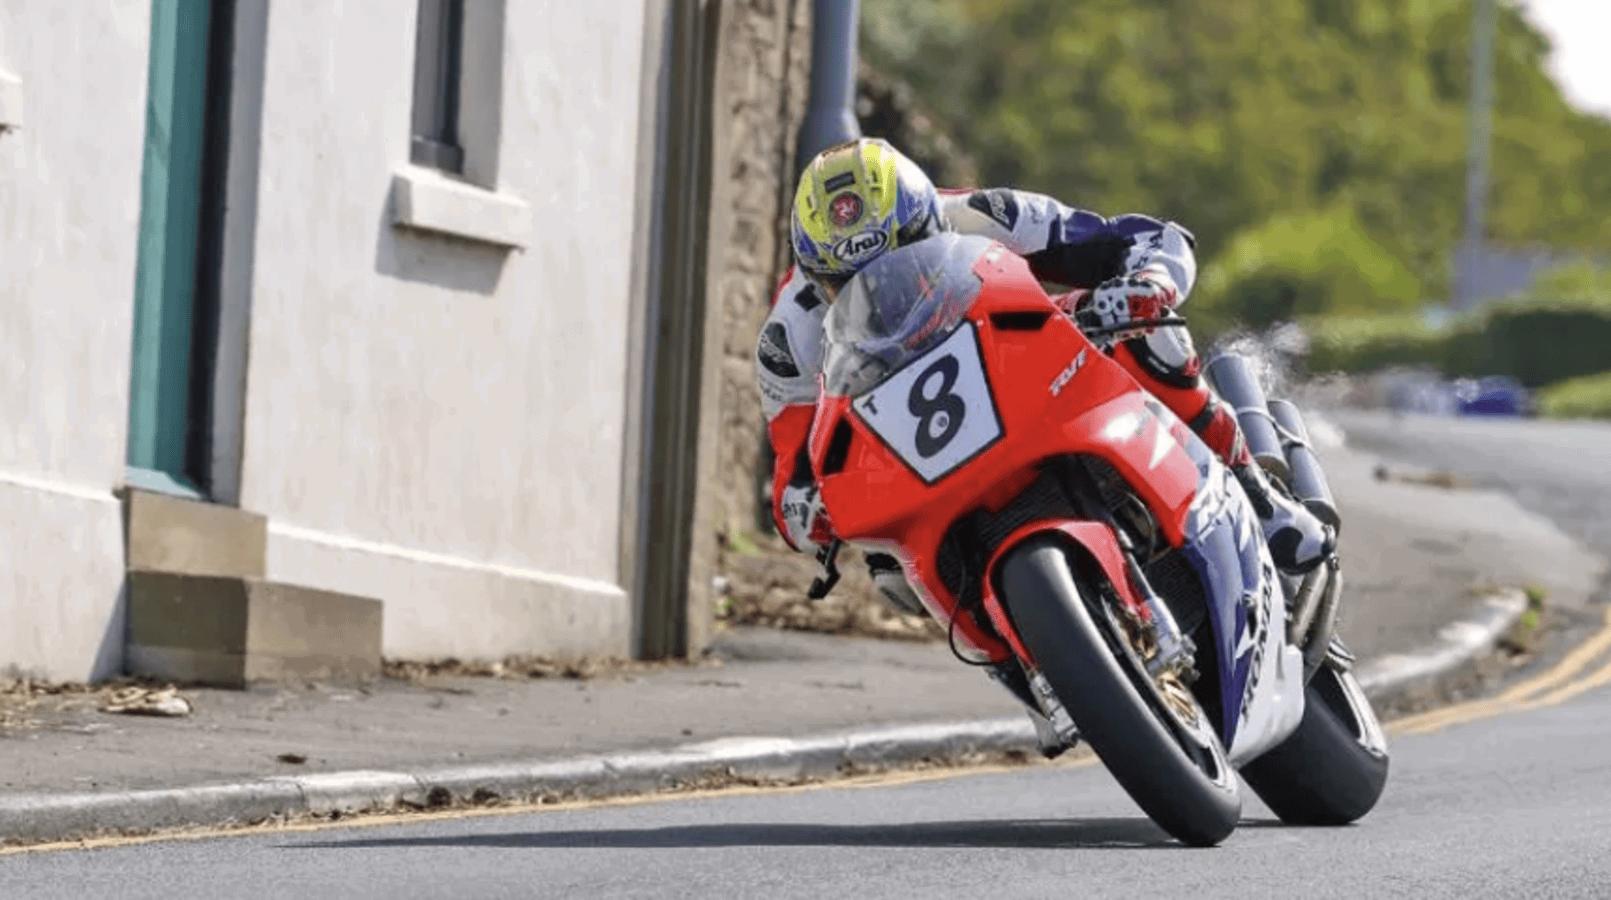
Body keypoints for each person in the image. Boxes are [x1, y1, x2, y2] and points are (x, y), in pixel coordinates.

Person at [755, 138, 1334, 616]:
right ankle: (1025, 663)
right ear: (814, 276)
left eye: (899, 260)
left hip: (1008, 358)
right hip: (904, 439)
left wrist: (1146, 287)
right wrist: (811, 511)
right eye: (848, 284)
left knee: (1144, 333)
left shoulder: (982, 215)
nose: (883, 291)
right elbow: (792, 475)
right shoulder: (790, 341)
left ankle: (1257, 493)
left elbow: (1139, 239)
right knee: (890, 573)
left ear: (928, 222)